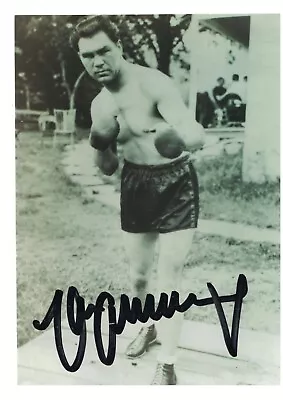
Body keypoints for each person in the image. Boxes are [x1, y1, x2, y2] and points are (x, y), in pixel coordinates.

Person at [70, 16, 205, 385]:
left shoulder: (154, 83)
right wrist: (99, 143)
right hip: (135, 184)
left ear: (120, 48)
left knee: (170, 271)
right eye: (88, 56)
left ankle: (168, 363)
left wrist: (176, 135)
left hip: (176, 181)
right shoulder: (100, 105)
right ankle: (149, 326)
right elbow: (109, 168)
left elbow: (194, 133)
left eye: (104, 51)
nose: (97, 62)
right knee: (140, 275)